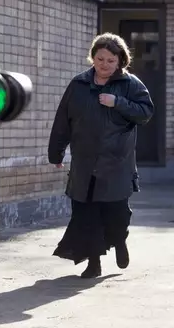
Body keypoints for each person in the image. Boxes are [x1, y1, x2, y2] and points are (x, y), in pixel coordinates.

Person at [48, 32, 155, 278]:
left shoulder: (130, 85)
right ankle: (93, 263)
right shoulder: (79, 84)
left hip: (116, 162)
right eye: (100, 58)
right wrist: (56, 152)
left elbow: (145, 112)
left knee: (117, 212)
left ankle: (119, 241)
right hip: (84, 162)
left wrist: (118, 102)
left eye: (110, 60)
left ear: (120, 61)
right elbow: (63, 120)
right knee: (87, 215)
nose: (104, 64)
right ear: (92, 58)